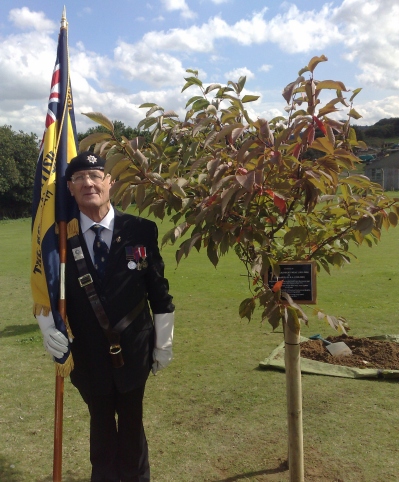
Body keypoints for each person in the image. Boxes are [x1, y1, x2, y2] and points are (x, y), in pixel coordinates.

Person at [36, 151, 175, 482]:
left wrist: (164, 344)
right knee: (100, 426)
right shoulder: (57, 241)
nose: (88, 183)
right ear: (69, 188)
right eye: (79, 178)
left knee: (132, 425)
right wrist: (46, 328)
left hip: (135, 349)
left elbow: (160, 293)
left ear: (110, 182)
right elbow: (47, 291)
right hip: (88, 355)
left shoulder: (141, 230)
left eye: (96, 175)